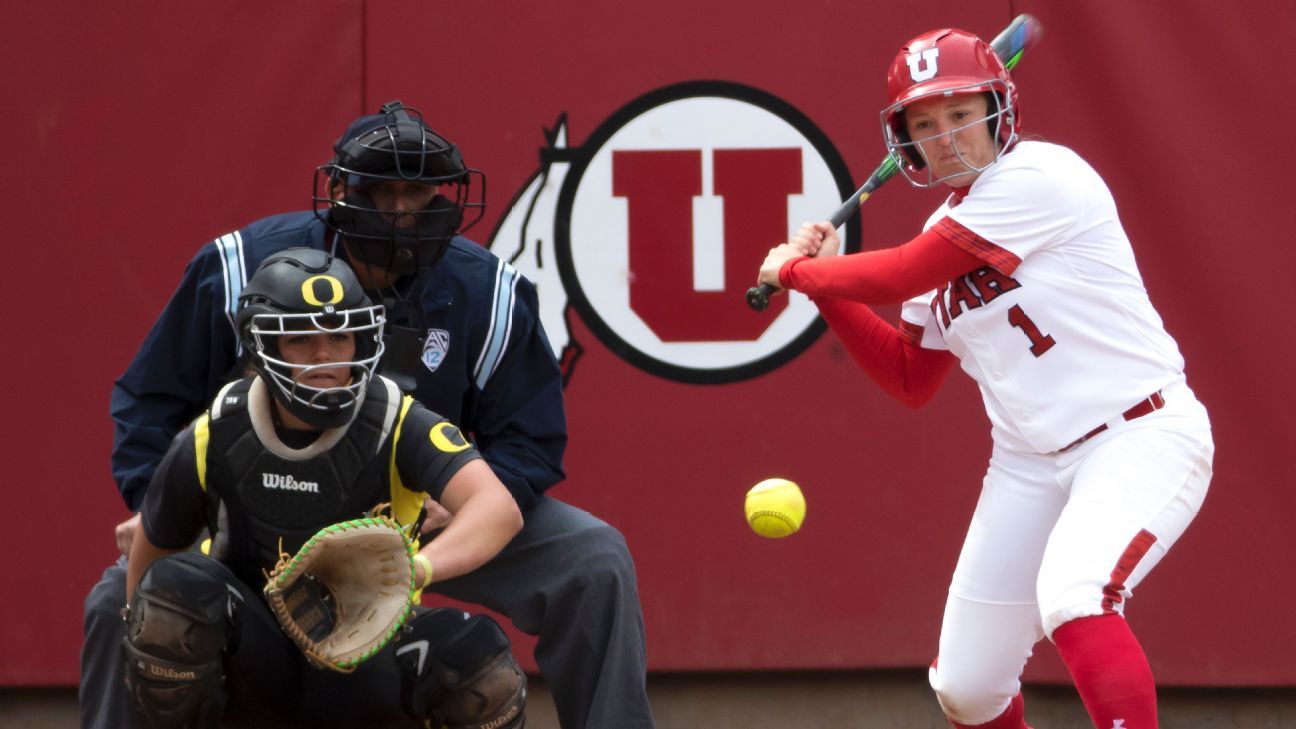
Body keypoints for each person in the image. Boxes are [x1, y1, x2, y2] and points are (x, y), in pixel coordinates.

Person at [84, 101, 654, 729]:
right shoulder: (238, 268)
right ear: (339, 192)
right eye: (384, 193)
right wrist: (155, 504)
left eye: (417, 191)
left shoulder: (489, 291)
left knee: (594, 559)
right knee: (126, 598)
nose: (403, 211)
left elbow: (531, 436)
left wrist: (470, 496)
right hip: (252, 504)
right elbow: (152, 398)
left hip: (416, 510)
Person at [757, 28, 1213, 729]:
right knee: (967, 686)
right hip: (1029, 464)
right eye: (926, 123)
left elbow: (903, 269)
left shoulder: (1040, 177)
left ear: (1000, 108)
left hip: (1137, 432)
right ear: (904, 140)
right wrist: (826, 291)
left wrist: (798, 270)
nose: (947, 137)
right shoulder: (944, 230)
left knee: (1078, 594)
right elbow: (911, 378)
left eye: (962, 113)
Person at [122, 248, 526, 728]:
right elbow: (154, 549)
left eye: (341, 336)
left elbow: (498, 508)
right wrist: (144, 632)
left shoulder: (397, 421)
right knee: (171, 601)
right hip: (255, 660)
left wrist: (414, 570)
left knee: (478, 666)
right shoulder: (218, 430)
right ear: (261, 347)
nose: (326, 356)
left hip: (366, 658)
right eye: (300, 339)